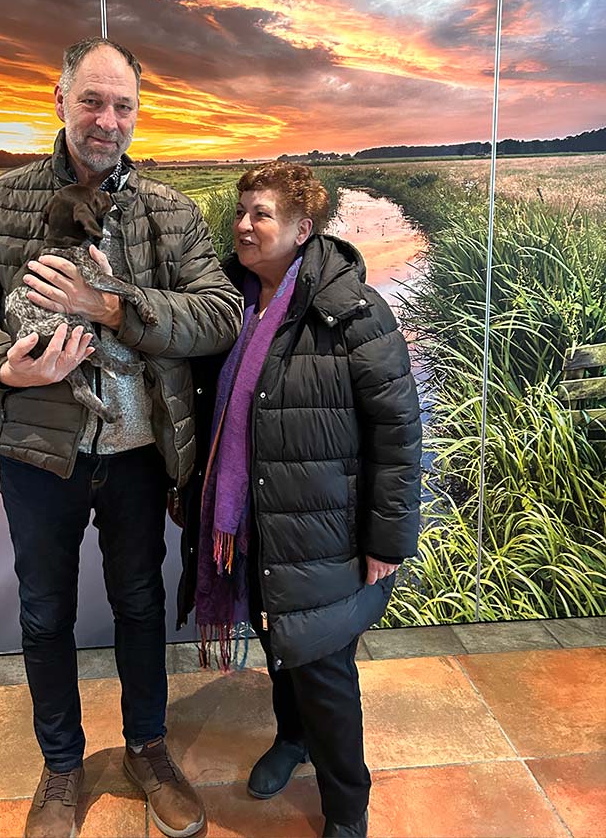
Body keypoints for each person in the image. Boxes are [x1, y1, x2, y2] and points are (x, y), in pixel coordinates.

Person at [0, 37, 242, 838]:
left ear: (138, 112)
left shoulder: (171, 210)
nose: (108, 119)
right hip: (39, 457)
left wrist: (111, 306)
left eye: (123, 104)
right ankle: (62, 765)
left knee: (140, 602)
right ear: (60, 99)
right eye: (93, 100)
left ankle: (148, 749)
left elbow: (220, 314)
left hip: (139, 457)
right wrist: (4, 366)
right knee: (45, 612)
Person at [183, 162, 422, 838]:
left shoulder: (353, 312)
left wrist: (386, 540)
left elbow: (398, 432)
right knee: (279, 642)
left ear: (302, 228)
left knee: (324, 671)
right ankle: (293, 740)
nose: (243, 225)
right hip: (254, 522)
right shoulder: (227, 304)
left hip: (324, 531)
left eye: (260, 214)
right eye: (240, 211)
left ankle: (347, 808)